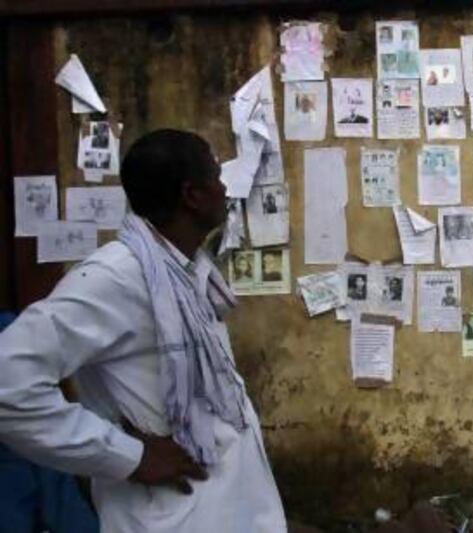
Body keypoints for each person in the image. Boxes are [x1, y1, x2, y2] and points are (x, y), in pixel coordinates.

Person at [0, 129, 287, 533]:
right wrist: (128, 455)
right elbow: (7, 384)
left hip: (227, 510)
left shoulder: (187, 274)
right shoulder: (117, 276)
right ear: (193, 195)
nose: (225, 188)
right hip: (170, 516)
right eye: (217, 177)